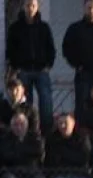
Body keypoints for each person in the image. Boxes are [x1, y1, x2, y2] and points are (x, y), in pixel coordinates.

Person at [5, 0, 55, 135]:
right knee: (25, 104)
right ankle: (27, 132)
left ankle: (46, 134)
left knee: (46, 103)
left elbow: (51, 48)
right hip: (23, 70)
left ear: (37, 7)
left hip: (41, 70)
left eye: (33, 5)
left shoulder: (44, 27)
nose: (30, 8)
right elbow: (10, 50)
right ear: (23, 7)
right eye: (28, 5)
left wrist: (48, 65)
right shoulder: (15, 28)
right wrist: (16, 67)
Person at [0, 112, 47, 178]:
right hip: (11, 172)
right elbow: (5, 155)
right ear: (11, 126)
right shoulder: (5, 138)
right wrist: (25, 152)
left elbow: (38, 152)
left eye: (21, 124)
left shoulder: (34, 136)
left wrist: (17, 151)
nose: (18, 127)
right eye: (16, 124)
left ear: (26, 125)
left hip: (31, 172)